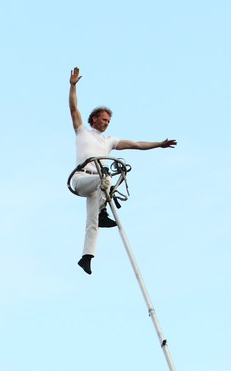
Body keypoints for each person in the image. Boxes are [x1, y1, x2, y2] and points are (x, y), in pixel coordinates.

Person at [69, 67, 177, 274]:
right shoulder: (82, 131)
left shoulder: (109, 141)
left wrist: (158, 144)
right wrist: (73, 86)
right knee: (106, 176)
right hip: (82, 179)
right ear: (94, 119)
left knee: (92, 223)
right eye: (103, 119)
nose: (106, 123)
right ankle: (102, 211)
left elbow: (135, 144)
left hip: (97, 186)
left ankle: (87, 257)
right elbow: (74, 109)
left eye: (109, 121)